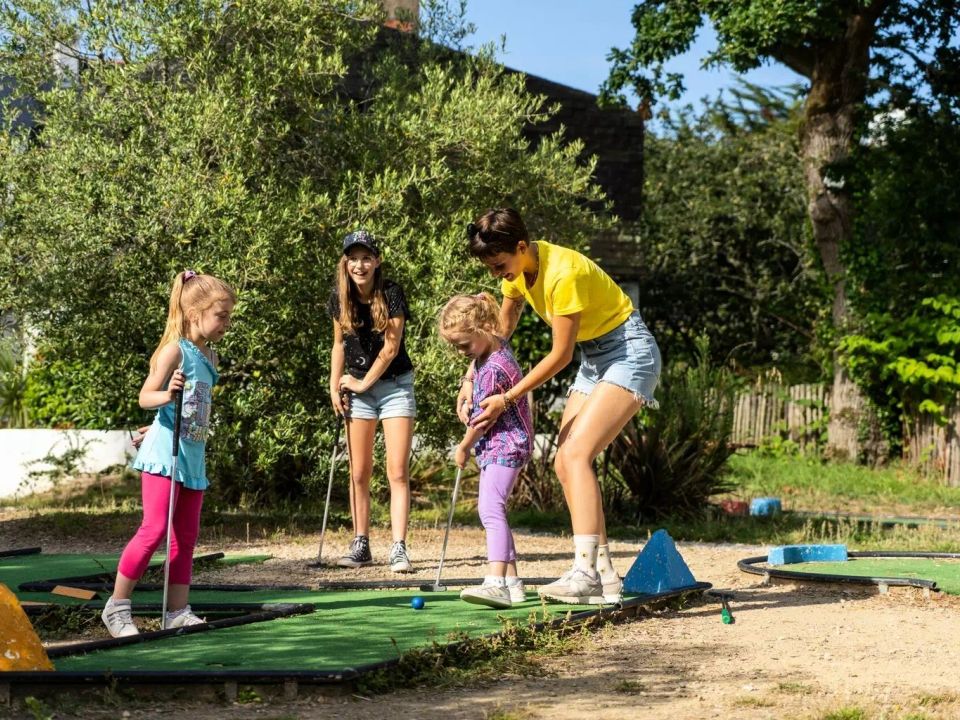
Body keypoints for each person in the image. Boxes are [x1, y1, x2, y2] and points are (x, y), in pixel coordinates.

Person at [461, 208, 661, 605]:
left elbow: (559, 356)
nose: (497, 275)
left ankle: (584, 572)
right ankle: (605, 576)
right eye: (491, 268)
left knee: (574, 454)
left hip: (628, 352)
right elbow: (498, 336)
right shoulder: (518, 273)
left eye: (500, 265)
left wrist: (507, 398)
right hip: (595, 357)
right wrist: (470, 378)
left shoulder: (563, 273)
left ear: (521, 247)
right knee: (563, 462)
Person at [102, 270, 236, 637]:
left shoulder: (211, 355)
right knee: (154, 529)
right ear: (195, 314)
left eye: (228, 316)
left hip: (193, 455)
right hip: (165, 455)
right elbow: (146, 396)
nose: (227, 323)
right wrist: (167, 397)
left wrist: (171, 410)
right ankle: (117, 607)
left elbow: (195, 407)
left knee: (186, 538)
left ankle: (176, 611)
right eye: (220, 316)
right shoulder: (174, 350)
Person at [328, 230, 416, 572]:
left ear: (377, 261)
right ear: (346, 262)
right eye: (353, 258)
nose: (360, 265)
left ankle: (398, 547)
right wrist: (334, 384)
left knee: (396, 470)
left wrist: (363, 384)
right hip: (357, 387)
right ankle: (361, 543)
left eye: (366, 258)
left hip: (394, 386)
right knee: (359, 472)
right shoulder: (340, 297)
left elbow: (391, 348)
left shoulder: (391, 294)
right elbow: (338, 344)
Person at [439, 293, 533, 609]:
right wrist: (467, 388)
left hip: (506, 443)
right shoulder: (492, 348)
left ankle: (496, 582)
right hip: (503, 443)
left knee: (490, 509)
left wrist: (464, 446)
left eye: (464, 345)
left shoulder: (493, 369)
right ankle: (513, 582)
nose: (462, 352)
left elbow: (481, 420)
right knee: (496, 510)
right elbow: (475, 378)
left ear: (482, 327)